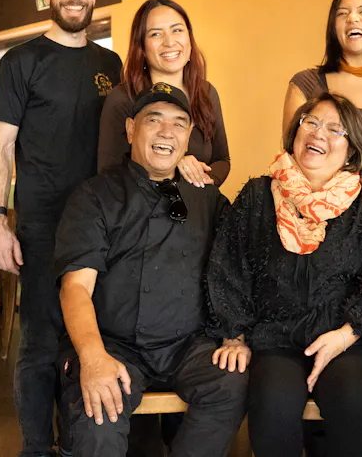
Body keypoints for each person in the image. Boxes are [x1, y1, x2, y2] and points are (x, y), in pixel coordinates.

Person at [54, 83, 247, 457]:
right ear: (130, 129)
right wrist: (93, 358)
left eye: (178, 124)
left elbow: (236, 270)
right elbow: (76, 287)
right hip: (114, 345)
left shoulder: (205, 196)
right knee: (98, 418)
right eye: (153, 120)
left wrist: (236, 334)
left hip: (188, 345)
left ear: (189, 136)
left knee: (231, 382)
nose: (166, 132)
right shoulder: (94, 196)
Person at [207, 93, 362, 457]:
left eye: (335, 129)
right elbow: (228, 267)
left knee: (350, 402)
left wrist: (345, 336)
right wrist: (233, 334)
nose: (318, 134)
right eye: (311, 122)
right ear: (295, 131)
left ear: (351, 150)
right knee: (272, 408)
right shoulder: (257, 196)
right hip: (277, 337)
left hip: (346, 338)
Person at [0, 0, 122, 457]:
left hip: (102, 227)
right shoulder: (21, 61)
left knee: (86, 342)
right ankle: (37, 449)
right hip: (42, 227)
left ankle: (77, 445)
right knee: (41, 346)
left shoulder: (110, 65)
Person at [283, 0, 362, 212]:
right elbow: (291, 160)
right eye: (342, 13)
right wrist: (348, 185)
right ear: (333, 27)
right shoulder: (308, 82)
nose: (352, 18)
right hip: (316, 213)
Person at [99, 0, 230, 189]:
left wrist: (203, 183)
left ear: (189, 38)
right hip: (141, 215)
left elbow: (222, 160)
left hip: (199, 209)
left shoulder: (206, 92)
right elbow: (109, 174)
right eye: (155, 34)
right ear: (141, 47)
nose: (169, 42)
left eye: (177, 30)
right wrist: (170, 164)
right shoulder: (123, 98)